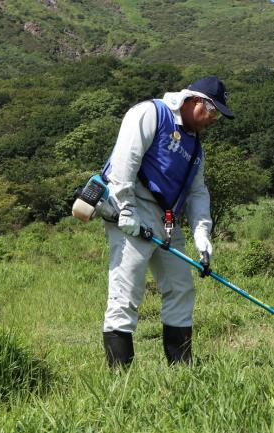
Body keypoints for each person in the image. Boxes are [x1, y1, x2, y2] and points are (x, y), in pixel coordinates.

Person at [100, 76, 234, 367]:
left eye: (218, 116)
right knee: (126, 294)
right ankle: (119, 383)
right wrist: (126, 209)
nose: (213, 120)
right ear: (196, 100)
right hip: (132, 210)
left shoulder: (196, 147)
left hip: (167, 221)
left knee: (180, 288)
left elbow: (198, 192)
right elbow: (125, 160)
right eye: (212, 112)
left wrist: (202, 234)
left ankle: (182, 369)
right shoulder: (151, 113)